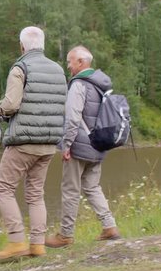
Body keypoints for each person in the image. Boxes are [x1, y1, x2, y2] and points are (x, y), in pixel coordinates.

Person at [0, 26, 67, 261]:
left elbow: (11, 104)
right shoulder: (58, 70)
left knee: (2, 188)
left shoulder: (20, 68)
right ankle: (37, 244)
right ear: (42, 44)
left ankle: (15, 241)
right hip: (49, 142)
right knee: (35, 193)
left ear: (22, 46)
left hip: (23, 141)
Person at [45, 46, 120, 249]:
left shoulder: (79, 84)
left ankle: (66, 235)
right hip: (98, 144)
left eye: (70, 61)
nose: (68, 66)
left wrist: (66, 145)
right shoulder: (101, 84)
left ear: (81, 62)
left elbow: (72, 118)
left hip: (79, 145)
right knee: (92, 187)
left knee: (70, 189)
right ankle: (109, 226)